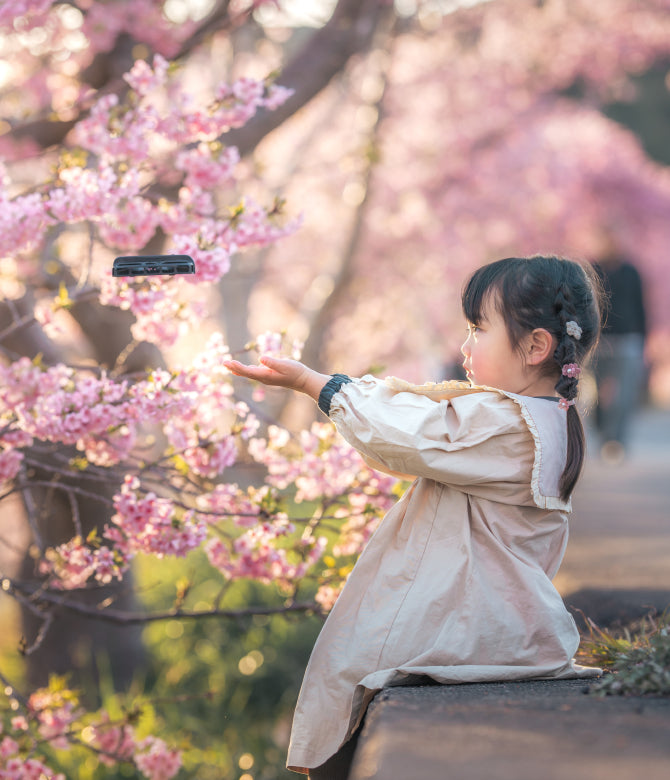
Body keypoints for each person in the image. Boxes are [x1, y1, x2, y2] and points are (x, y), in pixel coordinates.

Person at [224, 255, 603, 779]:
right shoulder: (543, 418)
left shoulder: (509, 423)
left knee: (350, 685)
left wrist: (318, 385)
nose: (466, 346)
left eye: (479, 329)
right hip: (489, 618)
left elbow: (407, 437)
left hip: (463, 621)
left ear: (536, 346)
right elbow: (428, 419)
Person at [593, 251, 647, 464]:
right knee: (597, 395)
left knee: (624, 395)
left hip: (628, 340)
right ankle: (605, 435)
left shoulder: (631, 271)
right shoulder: (593, 269)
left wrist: (642, 338)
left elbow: (640, 306)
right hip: (598, 342)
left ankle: (617, 442)